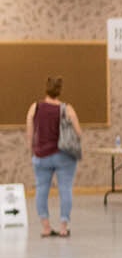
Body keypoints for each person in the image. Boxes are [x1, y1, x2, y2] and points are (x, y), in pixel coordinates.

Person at [26, 75, 81, 238]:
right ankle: (64, 227)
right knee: (65, 189)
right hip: (64, 155)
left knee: (41, 190)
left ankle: (46, 227)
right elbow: (78, 132)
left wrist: (31, 149)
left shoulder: (35, 107)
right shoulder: (67, 108)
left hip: (41, 155)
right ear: (59, 90)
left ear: (46, 89)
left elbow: (30, 129)